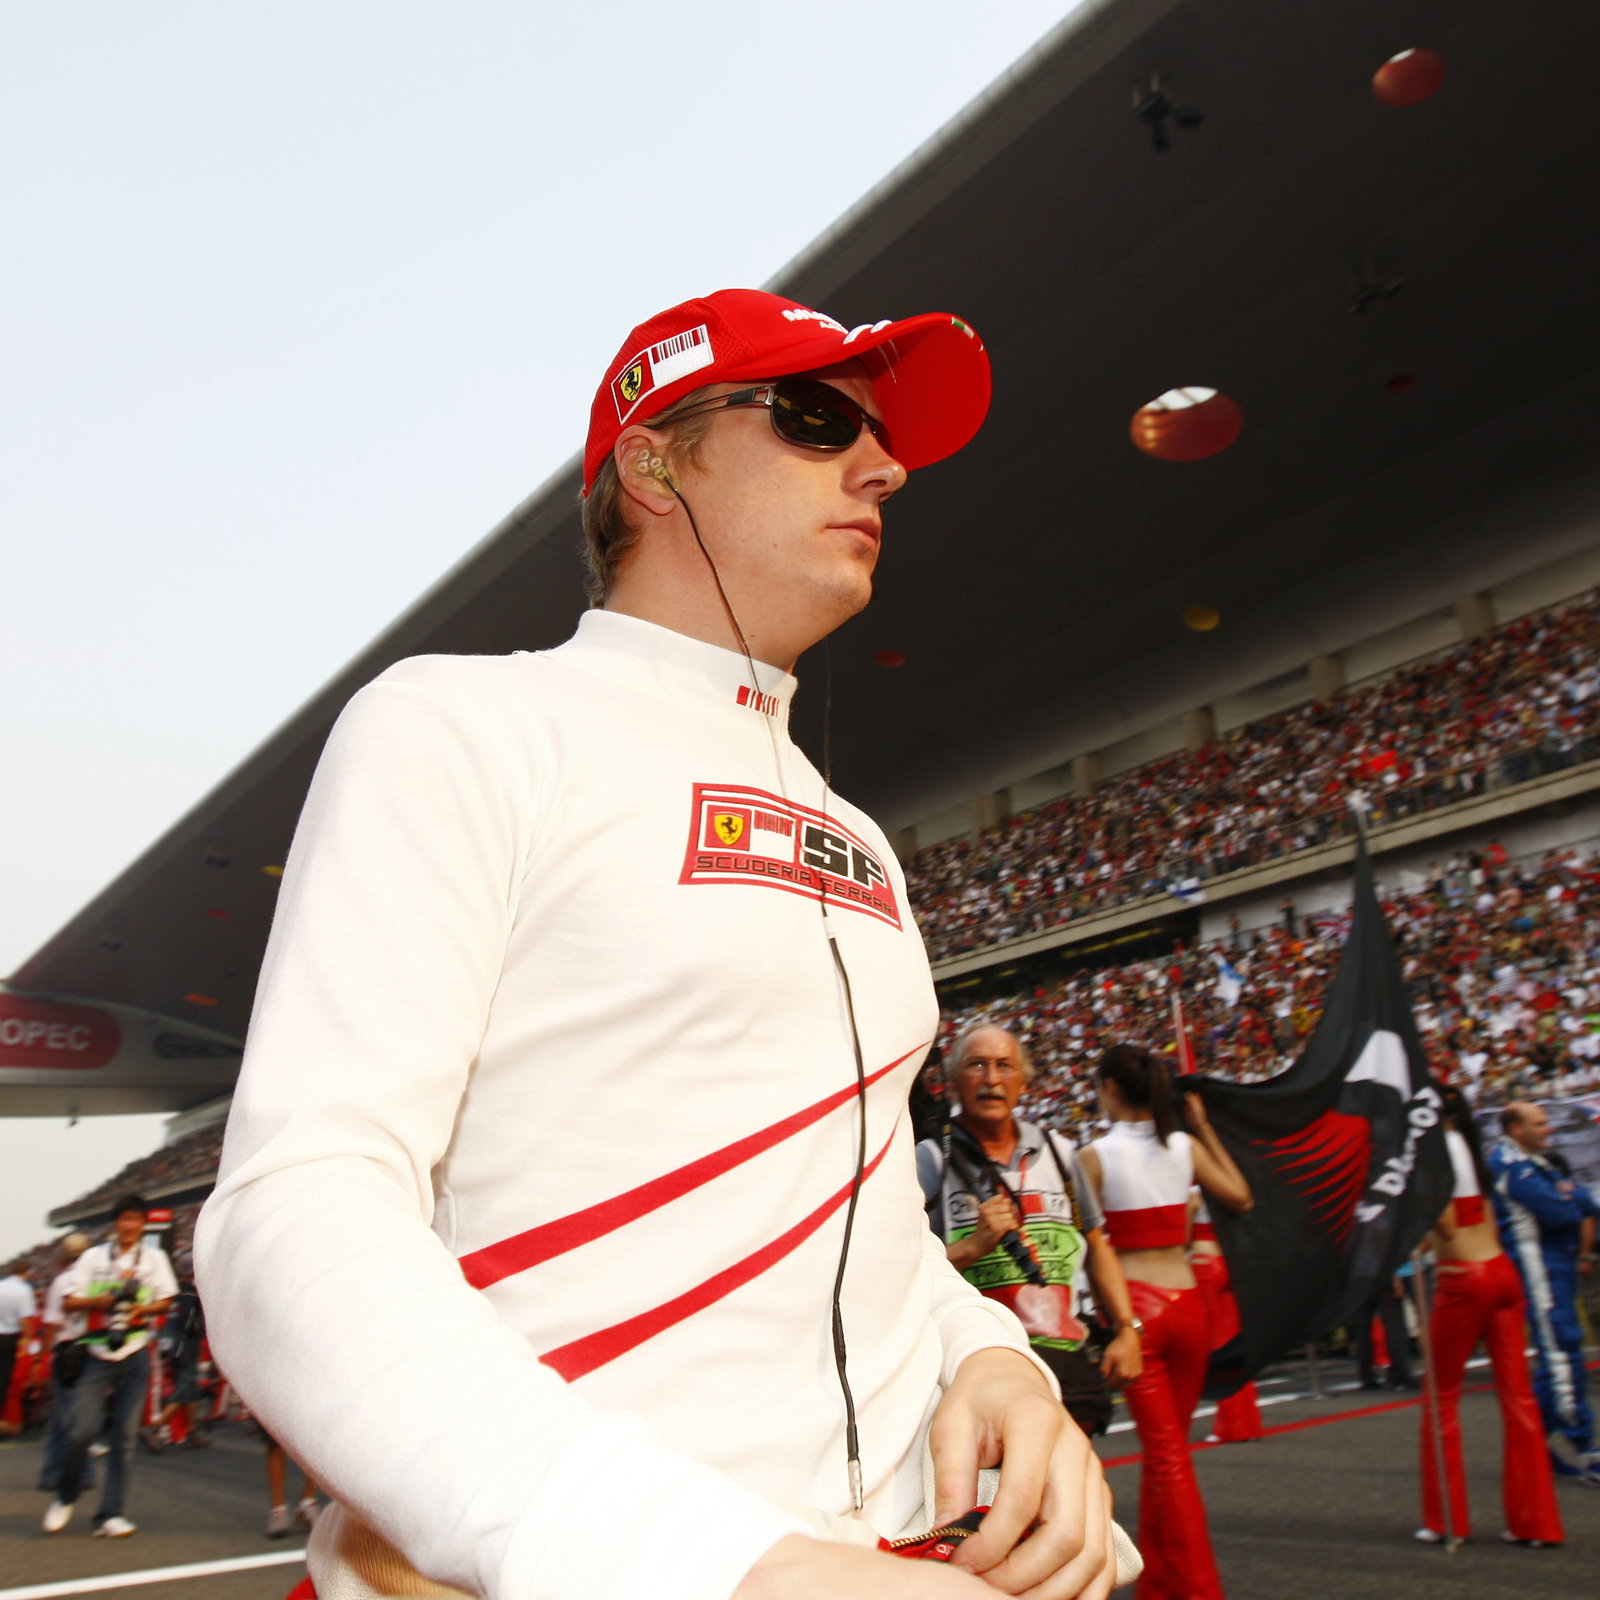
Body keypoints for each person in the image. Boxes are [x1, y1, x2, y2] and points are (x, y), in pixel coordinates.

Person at [196, 288, 1122, 1600]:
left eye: (878, 439)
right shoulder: (464, 723)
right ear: (654, 463)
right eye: (814, 421)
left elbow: (861, 1217)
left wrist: (992, 1359)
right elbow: (292, 1205)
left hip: (900, 1562)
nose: (883, 465)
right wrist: (721, 1564)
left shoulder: (856, 831)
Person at [1079, 1045, 1252, 1600]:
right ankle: (1163, 1585)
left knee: (1167, 1458)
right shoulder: (1183, 1146)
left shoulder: (1095, 1156)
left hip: (1141, 1315)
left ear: (1108, 1087)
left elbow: (1081, 1245)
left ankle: (1198, 1589)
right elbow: (1240, 1196)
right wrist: (1202, 1129)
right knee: (1169, 1453)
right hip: (1189, 1307)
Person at [916, 1023, 1142, 1437]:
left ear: (1024, 1080)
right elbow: (907, 1267)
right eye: (976, 1065)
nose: (991, 1079)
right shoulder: (930, 1160)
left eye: (1005, 1065)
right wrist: (975, 1246)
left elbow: (1096, 1245)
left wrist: (1128, 1329)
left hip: (1064, 1363)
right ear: (952, 1080)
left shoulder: (1059, 1152)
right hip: (979, 1361)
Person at [1415, 1088, 1562, 1546]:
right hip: (1501, 1272)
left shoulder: (1433, 1153)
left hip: (1463, 1279)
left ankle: (1446, 1520)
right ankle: (1535, 1522)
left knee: (1440, 1398)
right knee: (1519, 1398)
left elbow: (1442, 1226)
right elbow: (1478, 1220)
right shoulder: (1472, 1153)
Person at [44, 1195, 177, 1537]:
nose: (129, 1225)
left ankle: (109, 1514)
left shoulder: (154, 1258)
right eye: (123, 1219)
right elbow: (69, 1301)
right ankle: (66, 1495)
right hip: (95, 1351)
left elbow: (166, 1300)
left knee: (125, 1437)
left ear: (144, 1223)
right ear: (115, 1223)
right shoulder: (93, 1257)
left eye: (135, 1219)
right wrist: (101, 1301)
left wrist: (140, 1311)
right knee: (81, 1432)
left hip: (134, 1352)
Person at [1488, 1100, 1600, 1483]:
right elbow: (1564, 1210)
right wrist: (1572, 1197)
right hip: (1538, 1273)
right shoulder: (1512, 1166)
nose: (1548, 1128)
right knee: (1560, 1355)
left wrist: (1572, 1196)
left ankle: (1533, 1443)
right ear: (1517, 1129)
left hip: (1556, 1268)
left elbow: (1582, 1201)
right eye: (1540, 1122)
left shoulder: (1537, 1161)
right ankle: (1586, 1448)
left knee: (1561, 1355)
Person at [1185, 1198, 1261, 1444]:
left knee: (1217, 1343)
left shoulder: (1193, 1193)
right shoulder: (1227, 1189)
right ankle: (1248, 1423)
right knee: (1233, 1340)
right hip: (1228, 1260)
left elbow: (1183, 1235)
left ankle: (1233, 1425)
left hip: (1204, 1261)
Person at [37, 1232, 94, 1495]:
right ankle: (81, 1472)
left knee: (63, 1417)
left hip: (67, 1351)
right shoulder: (95, 1278)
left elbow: (52, 1324)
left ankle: (57, 1472)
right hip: (92, 1350)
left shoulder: (62, 1281)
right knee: (81, 1418)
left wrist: (43, 1358)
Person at [142, 1258, 208, 1452]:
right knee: (184, 1387)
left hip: (169, 1345)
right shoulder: (191, 1295)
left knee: (191, 1388)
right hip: (186, 1346)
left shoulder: (173, 1293)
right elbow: (192, 1323)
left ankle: (192, 1431)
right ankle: (155, 1428)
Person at [0, 1259, 38, 1435]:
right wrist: (30, 1343)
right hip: (9, 1337)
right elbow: (26, 1321)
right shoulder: (23, 1290)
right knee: (5, 1380)